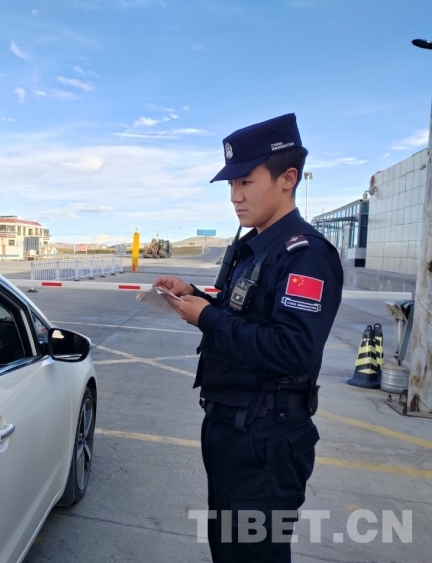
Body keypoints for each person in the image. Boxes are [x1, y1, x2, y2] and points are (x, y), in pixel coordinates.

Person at [153, 113, 343, 562]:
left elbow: (293, 349)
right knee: (229, 551)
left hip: (266, 440)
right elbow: (246, 314)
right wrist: (197, 297)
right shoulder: (258, 247)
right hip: (233, 429)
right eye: (231, 185)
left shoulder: (305, 255)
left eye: (246, 182)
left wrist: (207, 319)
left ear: (288, 179)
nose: (235, 196)